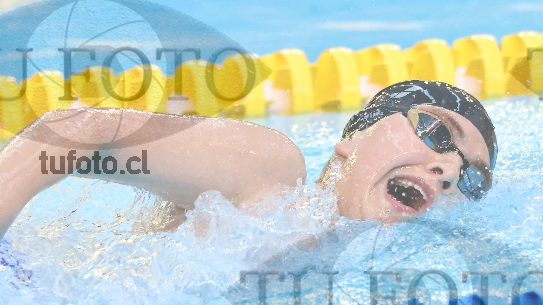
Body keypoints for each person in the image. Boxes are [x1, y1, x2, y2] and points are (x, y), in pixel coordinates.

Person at [0, 79, 497, 240]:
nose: (451, 171)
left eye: (472, 177)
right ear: (356, 137)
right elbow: (80, 129)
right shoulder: (271, 176)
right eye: (436, 131)